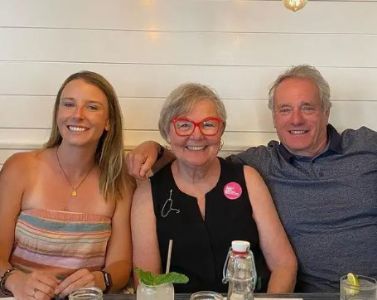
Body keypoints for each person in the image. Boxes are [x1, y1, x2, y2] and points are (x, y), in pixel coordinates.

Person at [126, 65, 377, 292]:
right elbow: (194, 155)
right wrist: (155, 149)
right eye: (285, 109)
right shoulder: (263, 162)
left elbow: (283, 264)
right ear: (275, 117)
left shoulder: (366, 146)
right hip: (310, 294)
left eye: (307, 107)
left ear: (326, 111)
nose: (296, 119)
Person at [131, 83, 297, 294]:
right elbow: (148, 283)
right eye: (183, 125)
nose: (197, 135)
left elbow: (284, 265)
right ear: (167, 133)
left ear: (221, 130)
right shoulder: (148, 193)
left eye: (208, 124)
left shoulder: (247, 179)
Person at [0, 71, 134, 299]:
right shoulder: (20, 168)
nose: (78, 115)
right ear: (57, 114)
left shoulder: (119, 181)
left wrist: (101, 279)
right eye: (69, 104)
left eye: (92, 107)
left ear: (108, 122)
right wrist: (15, 280)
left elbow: (121, 264)